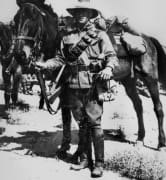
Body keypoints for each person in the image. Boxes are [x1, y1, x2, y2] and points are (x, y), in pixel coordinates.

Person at [35, 2, 118, 178]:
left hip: (92, 85)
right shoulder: (67, 36)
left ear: (90, 13)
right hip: (72, 85)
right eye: (78, 11)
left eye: (85, 11)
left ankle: (99, 164)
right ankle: (85, 159)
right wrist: (45, 64)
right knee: (82, 124)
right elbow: (59, 59)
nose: (81, 14)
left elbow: (112, 57)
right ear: (74, 14)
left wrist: (108, 68)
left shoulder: (100, 35)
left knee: (95, 124)